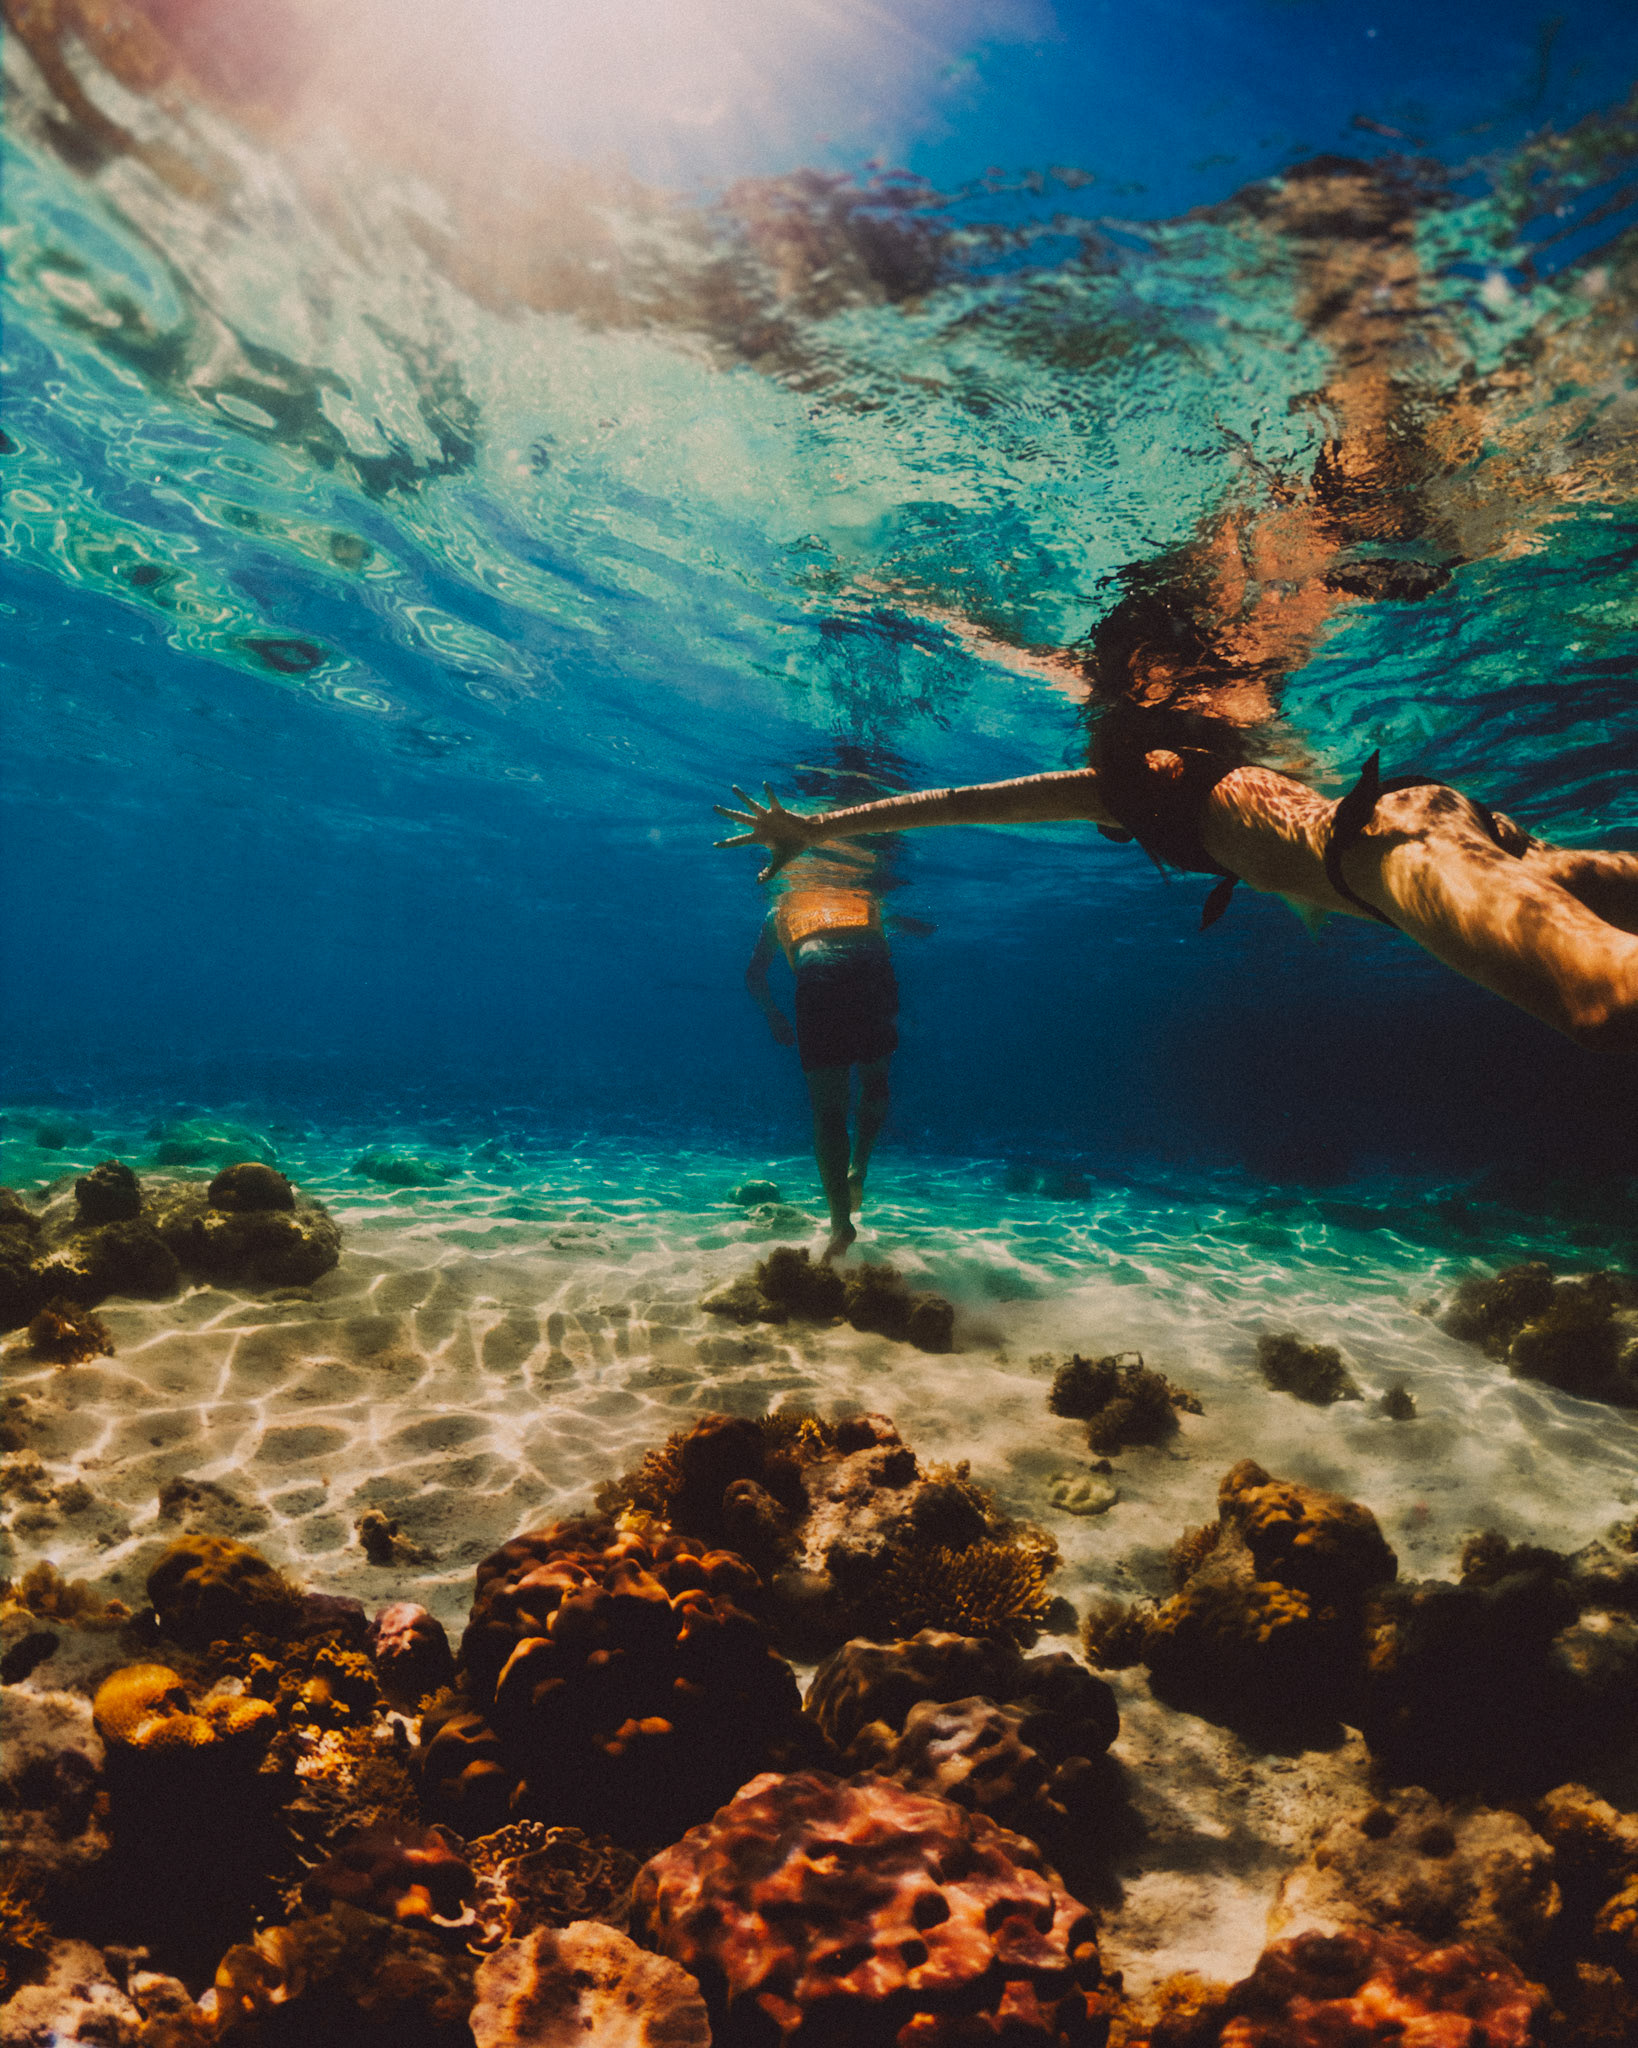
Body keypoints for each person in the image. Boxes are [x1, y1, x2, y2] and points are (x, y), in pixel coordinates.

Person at [743, 855, 902, 1260]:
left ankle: (840, 1223)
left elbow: (754, 975)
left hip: (819, 977)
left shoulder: (780, 910)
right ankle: (858, 1167)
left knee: (829, 1112)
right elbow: (882, 933)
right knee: (875, 1082)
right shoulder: (864, 897)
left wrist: (774, 1015)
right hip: (871, 971)